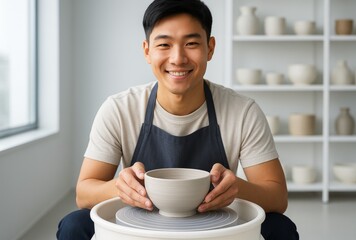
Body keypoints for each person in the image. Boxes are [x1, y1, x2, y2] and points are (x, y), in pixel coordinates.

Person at [57, 0, 299, 239]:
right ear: (147, 51)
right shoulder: (119, 109)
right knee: (73, 225)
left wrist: (237, 188)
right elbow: (84, 193)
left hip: (214, 228)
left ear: (210, 48)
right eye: (164, 45)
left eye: (191, 43)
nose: (178, 58)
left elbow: (277, 197)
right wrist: (120, 187)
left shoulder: (243, 112)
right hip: (141, 228)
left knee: (280, 227)